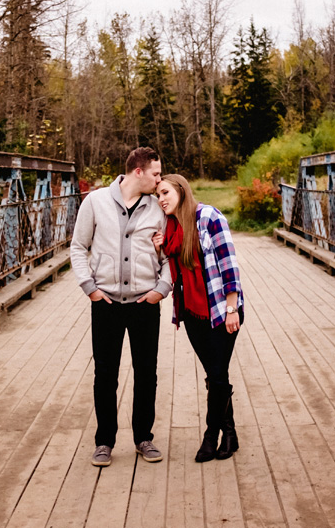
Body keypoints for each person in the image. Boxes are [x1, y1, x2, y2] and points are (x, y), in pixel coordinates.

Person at [69, 147, 171, 467]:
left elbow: (169, 253)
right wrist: (90, 289)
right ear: (137, 172)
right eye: (155, 173)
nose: (160, 179)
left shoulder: (158, 209)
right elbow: (78, 246)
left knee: (146, 374)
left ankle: (144, 437)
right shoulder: (95, 202)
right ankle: (104, 441)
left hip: (145, 303)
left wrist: (161, 289)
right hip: (106, 303)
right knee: (105, 375)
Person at [152, 173, 245, 463]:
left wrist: (232, 309)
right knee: (216, 376)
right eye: (157, 195)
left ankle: (210, 437)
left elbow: (229, 265)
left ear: (181, 190)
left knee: (217, 376)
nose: (161, 199)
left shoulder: (209, 217)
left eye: (165, 192)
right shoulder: (170, 226)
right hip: (191, 313)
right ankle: (229, 434)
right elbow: (171, 268)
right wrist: (159, 248)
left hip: (220, 310)